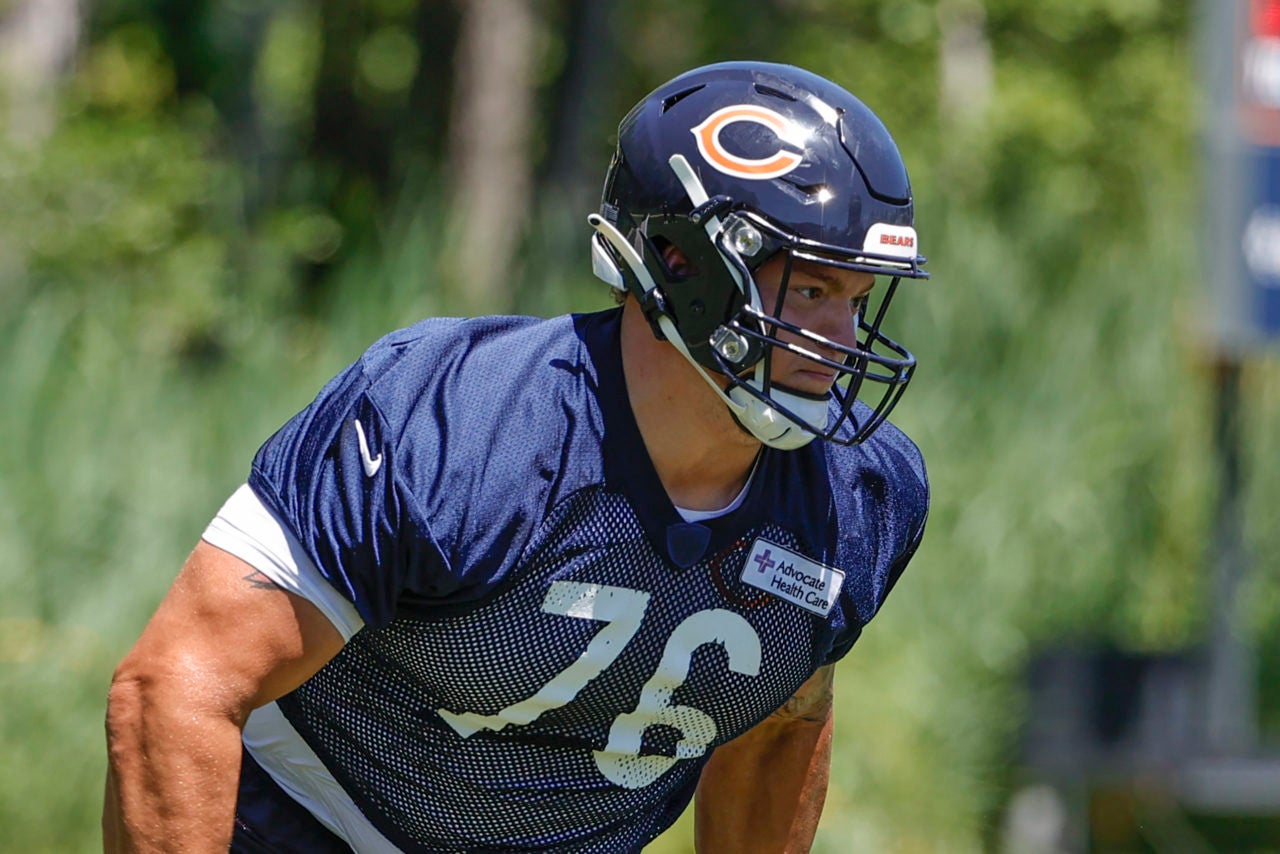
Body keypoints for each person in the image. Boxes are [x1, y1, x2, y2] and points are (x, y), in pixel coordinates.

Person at [104, 60, 931, 853]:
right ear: (681, 266)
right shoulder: (463, 422)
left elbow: (785, 717)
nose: (843, 345)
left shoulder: (860, 494)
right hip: (297, 818)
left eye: (857, 300)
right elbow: (176, 689)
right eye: (814, 293)